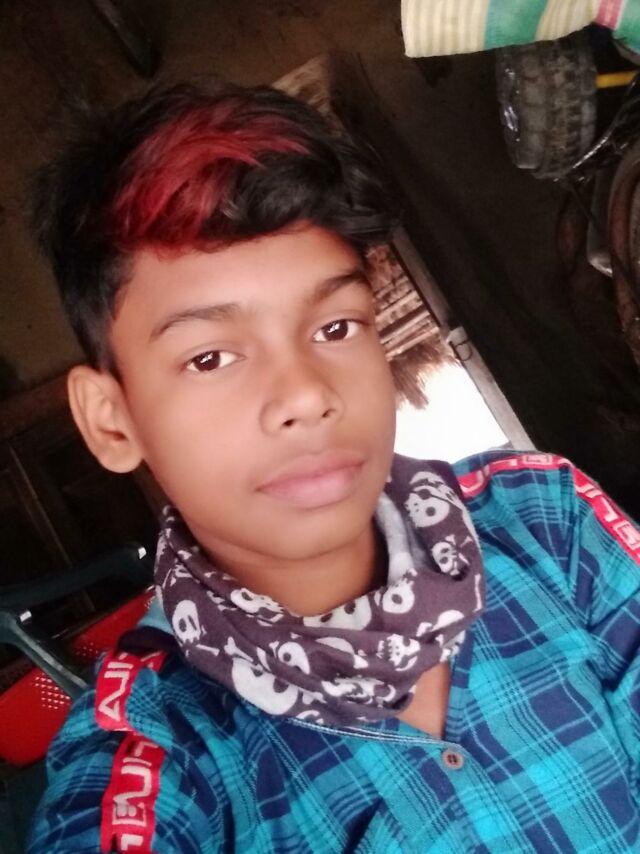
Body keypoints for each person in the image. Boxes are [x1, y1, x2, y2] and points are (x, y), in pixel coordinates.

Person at [28, 80, 640, 853]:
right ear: (112, 421)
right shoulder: (164, 742)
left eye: (336, 326)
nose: (307, 396)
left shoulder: (541, 517)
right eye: (210, 357)